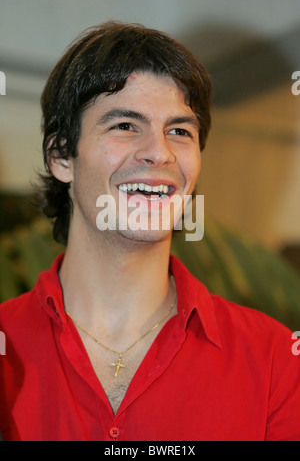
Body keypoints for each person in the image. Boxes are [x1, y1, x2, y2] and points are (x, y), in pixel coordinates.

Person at [0, 22, 299, 442]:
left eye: (180, 131)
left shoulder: (275, 361)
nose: (159, 152)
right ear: (61, 156)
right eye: (125, 125)